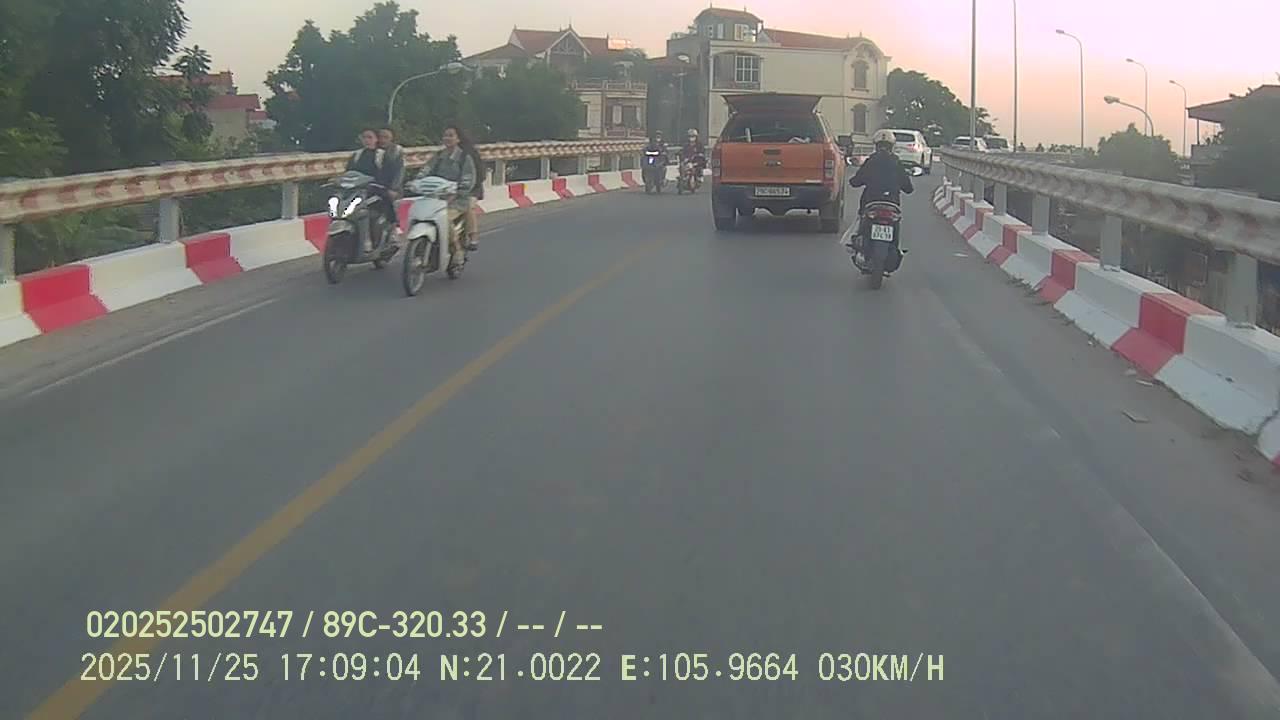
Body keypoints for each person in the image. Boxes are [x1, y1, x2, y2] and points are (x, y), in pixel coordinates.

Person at [419, 123, 477, 270]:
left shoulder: (464, 158)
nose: (447, 138)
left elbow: (468, 180)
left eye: (451, 135)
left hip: (457, 200)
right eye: (445, 135)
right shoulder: (438, 156)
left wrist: (457, 192)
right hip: (436, 198)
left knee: (444, 218)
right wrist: (417, 181)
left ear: (458, 139)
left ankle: (456, 249)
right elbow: (425, 170)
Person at [847, 128, 914, 255]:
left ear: (876, 146)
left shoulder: (871, 161)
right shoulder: (896, 162)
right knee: (895, 222)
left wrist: (855, 181)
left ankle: (856, 240)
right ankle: (895, 248)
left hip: (871, 201)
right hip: (892, 202)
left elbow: (856, 181)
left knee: (861, 217)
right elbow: (908, 188)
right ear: (892, 146)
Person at [346, 129, 396, 253]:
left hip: (376, 191)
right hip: (356, 191)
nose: (367, 140)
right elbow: (348, 173)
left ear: (376, 139)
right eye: (364, 137)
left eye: (370, 137)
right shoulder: (356, 155)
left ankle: (387, 235)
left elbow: (389, 173)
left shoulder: (382, 155)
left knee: (376, 211)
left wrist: (385, 186)